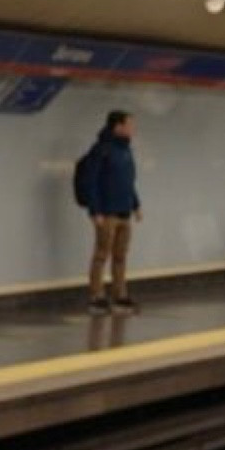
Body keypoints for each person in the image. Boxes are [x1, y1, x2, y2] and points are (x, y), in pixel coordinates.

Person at [82, 110, 140, 315]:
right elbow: (92, 182)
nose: (133, 129)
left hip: (124, 211)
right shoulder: (102, 150)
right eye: (129, 125)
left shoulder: (126, 151)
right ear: (118, 127)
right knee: (101, 255)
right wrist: (95, 210)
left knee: (120, 256)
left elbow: (128, 181)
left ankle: (119, 294)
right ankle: (96, 295)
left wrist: (136, 205)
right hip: (106, 213)